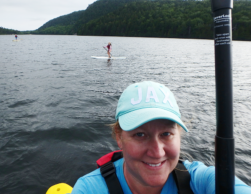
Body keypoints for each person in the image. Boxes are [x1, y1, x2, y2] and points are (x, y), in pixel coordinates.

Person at [71, 81, 251, 194]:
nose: (157, 152)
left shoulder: (202, 181)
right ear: (119, 138)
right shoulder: (90, 189)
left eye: (166, 134)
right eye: (140, 134)